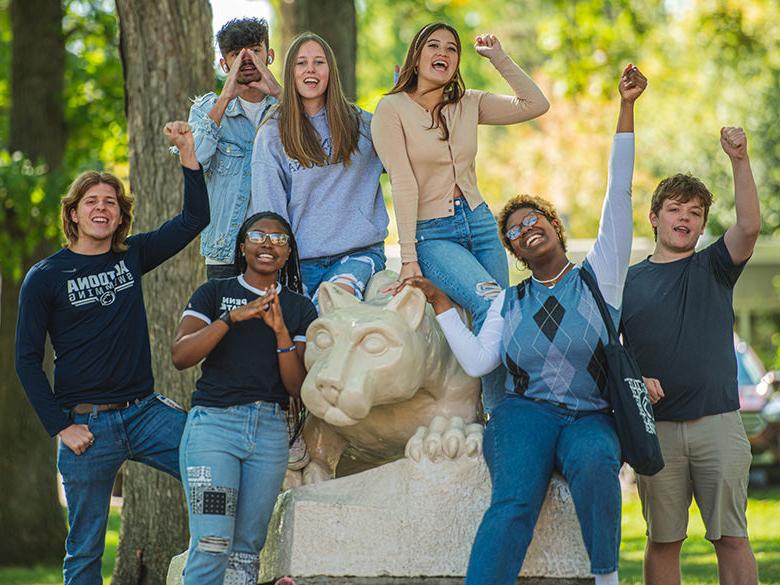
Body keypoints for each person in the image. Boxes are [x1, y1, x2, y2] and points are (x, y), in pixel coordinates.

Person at [399, 65, 646, 585]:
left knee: (597, 463)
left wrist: (626, 108)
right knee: (513, 501)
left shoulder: (601, 278)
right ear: (512, 251)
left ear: (555, 228)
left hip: (589, 416)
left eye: (535, 220)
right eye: (514, 230)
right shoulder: (505, 305)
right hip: (524, 415)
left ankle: (606, 578)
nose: (526, 229)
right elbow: (478, 362)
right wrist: (443, 304)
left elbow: (618, 193)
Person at [14, 122, 208, 585]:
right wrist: (61, 426)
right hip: (86, 426)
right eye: (91, 202)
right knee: (83, 552)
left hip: (145, 413)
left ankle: (218, 563)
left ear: (120, 217)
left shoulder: (131, 257)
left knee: (211, 463)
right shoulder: (45, 276)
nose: (102, 209)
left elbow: (192, 220)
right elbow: (25, 358)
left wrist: (188, 153)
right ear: (75, 214)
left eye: (111, 203)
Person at [370, 23, 549, 410]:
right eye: (433, 45)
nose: (444, 53)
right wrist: (409, 258)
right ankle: (498, 419)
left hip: (481, 224)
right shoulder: (391, 110)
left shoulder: (468, 103)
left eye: (452, 49)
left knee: (503, 314)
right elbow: (401, 182)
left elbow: (536, 105)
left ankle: (504, 416)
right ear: (416, 56)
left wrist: (498, 57)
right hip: (432, 234)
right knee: (492, 305)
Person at [621, 127, 760, 585]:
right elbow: (608, 355)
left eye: (695, 213)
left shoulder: (715, 266)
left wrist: (739, 159)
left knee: (732, 538)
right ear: (654, 217)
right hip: (655, 431)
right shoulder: (625, 283)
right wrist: (635, 380)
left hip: (718, 423)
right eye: (675, 209)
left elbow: (749, 226)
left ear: (702, 226)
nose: (684, 218)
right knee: (662, 540)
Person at [172, 211, 317, 585]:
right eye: (257, 235)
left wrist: (282, 332)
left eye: (279, 239)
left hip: (269, 433)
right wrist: (231, 320)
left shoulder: (301, 307)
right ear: (242, 246)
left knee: (247, 549)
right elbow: (181, 356)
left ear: (287, 254)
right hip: (214, 431)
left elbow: (296, 388)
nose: (267, 244)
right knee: (213, 540)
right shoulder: (214, 293)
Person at [251, 32, 388, 304]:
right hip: (299, 263)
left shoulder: (362, 124)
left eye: (319, 62)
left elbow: (406, 161)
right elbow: (270, 212)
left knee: (333, 304)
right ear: (291, 73)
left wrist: (403, 107)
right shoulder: (272, 133)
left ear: (330, 71)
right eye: (301, 63)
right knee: (302, 336)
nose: (310, 69)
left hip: (358, 253)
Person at [190, 17, 282, 279]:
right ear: (224, 63)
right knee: (226, 321)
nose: (248, 60)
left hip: (279, 247)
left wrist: (279, 93)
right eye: (236, 54)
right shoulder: (206, 110)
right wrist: (225, 98)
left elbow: (317, 143)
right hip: (225, 251)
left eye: (255, 50)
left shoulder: (287, 108)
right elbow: (193, 163)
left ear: (270, 55)